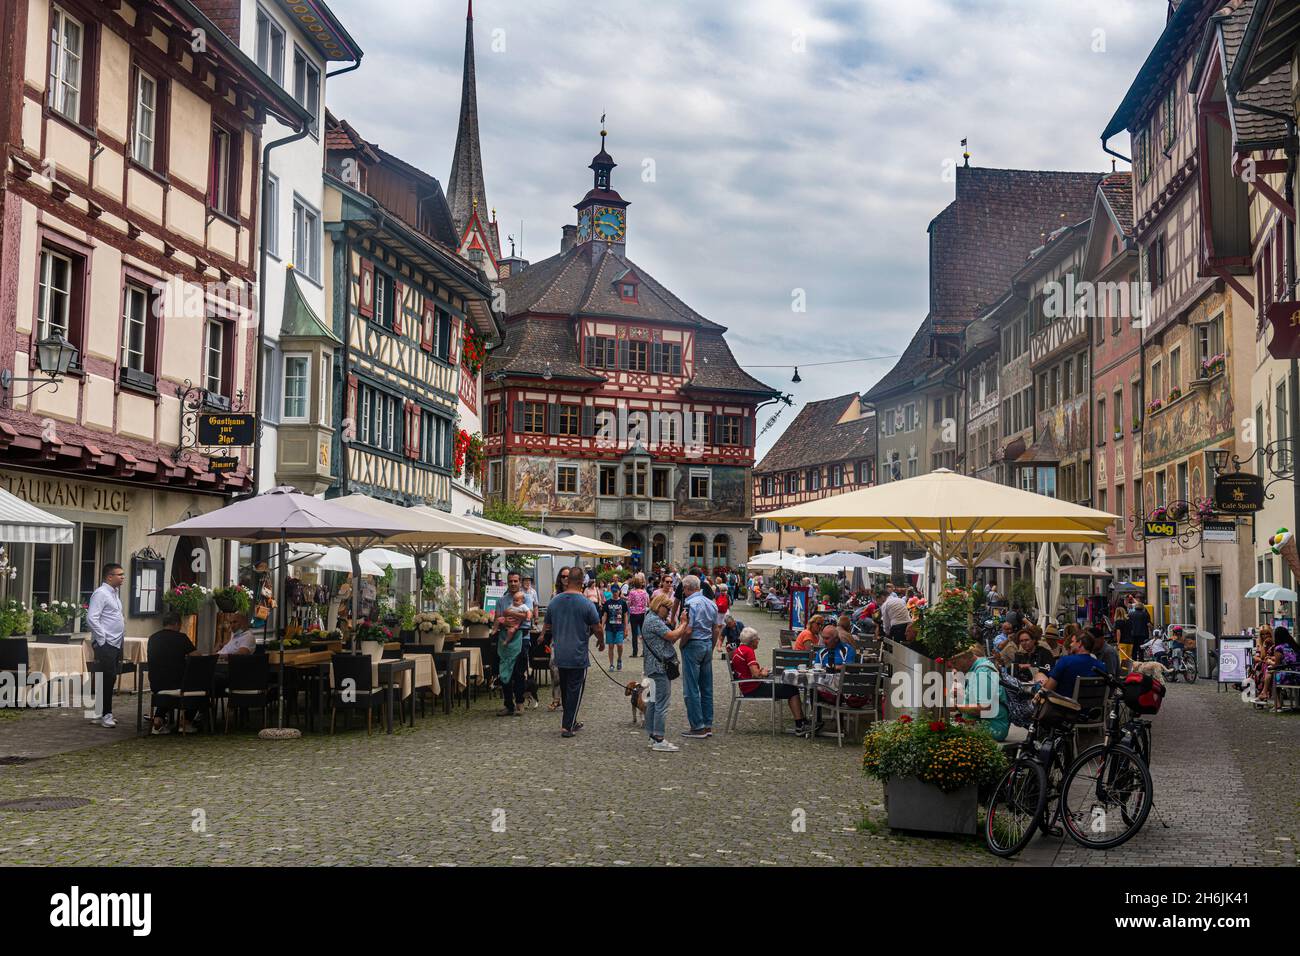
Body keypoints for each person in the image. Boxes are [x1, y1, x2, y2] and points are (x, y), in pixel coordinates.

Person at [549, 566, 604, 738]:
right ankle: (567, 726)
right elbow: (597, 627)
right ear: (581, 583)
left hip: (560, 652)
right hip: (577, 653)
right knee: (574, 690)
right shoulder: (587, 603)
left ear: (567, 581)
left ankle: (570, 720)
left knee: (565, 688)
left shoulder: (555, 601)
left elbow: (547, 624)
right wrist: (601, 642)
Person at [731, 628, 809, 735]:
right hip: (753, 688)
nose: (758, 640)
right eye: (757, 638)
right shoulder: (749, 651)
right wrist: (764, 673)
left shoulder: (740, 649)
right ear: (752, 641)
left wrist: (760, 671)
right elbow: (756, 674)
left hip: (747, 686)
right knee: (792, 690)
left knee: (789, 688)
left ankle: (803, 721)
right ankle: (800, 725)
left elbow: (751, 671)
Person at [678, 574, 720, 739]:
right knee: (707, 687)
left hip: (693, 644)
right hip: (707, 644)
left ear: (688, 588)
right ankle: (708, 724)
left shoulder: (690, 604)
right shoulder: (711, 603)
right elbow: (716, 628)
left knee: (691, 688)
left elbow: (688, 629)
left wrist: (682, 644)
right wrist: (712, 644)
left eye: (684, 589)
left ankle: (697, 726)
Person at [641, 592, 682, 751]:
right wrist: (684, 623)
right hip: (659, 667)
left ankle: (652, 735)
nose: (669, 613)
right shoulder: (654, 621)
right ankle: (659, 738)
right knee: (661, 704)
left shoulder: (650, 618)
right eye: (668, 609)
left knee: (653, 702)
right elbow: (672, 636)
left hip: (653, 667)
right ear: (660, 606)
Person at [86, 563, 126, 728]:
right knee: (108, 678)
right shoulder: (101, 593)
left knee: (108, 677)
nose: (123, 577)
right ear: (109, 577)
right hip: (107, 643)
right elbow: (91, 618)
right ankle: (106, 714)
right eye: (119, 574)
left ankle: (99, 712)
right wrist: (102, 640)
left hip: (115, 642)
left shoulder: (114, 593)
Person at [146, 610, 195, 735]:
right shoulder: (181, 638)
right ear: (177, 624)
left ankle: (159, 718)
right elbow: (196, 657)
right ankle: (186, 722)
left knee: (167, 686)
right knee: (197, 685)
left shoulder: (153, 638)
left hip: (156, 684)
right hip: (178, 684)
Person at [493, 572, 533, 715]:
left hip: (522, 638)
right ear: (507, 582)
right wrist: (508, 618)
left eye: (516, 581)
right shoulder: (502, 600)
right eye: (510, 581)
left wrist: (509, 615)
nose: (513, 583)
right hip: (505, 639)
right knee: (505, 672)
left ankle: (520, 703)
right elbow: (498, 618)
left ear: (520, 582)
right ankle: (508, 704)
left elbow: (528, 617)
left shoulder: (526, 598)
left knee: (518, 672)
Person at [952, 643, 1009, 741]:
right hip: (980, 724)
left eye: (955, 662)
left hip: (993, 728)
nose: (954, 667)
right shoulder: (977, 668)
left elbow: (984, 708)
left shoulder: (982, 671)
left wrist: (957, 706)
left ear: (966, 657)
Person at [1039, 631, 1106, 698]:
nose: (1070, 644)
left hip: (1064, 706)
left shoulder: (1065, 661)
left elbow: (1047, 689)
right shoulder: (1101, 667)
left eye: (1072, 641)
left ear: (1079, 643)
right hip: (1091, 707)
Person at [541, 567, 569, 712]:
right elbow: (548, 616)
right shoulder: (555, 595)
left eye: (568, 576)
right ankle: (556, 698)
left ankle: (565, 700)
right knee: (554, 666)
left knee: (568, 670)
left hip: (571, 638)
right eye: (563, 576)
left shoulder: (577, 594)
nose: (565, 579)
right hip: (557, 637)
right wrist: (543, 632)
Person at [602, 586, 629, 670]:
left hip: (619, 627)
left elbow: (625, 615)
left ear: (619, 592)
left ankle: (619, 659)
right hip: (610, 627)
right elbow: (605, 615)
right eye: (613, 592)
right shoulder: (607, 603)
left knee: (620, 645)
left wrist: (626, 627)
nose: (615, 593)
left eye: (616, 591)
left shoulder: (622, 603)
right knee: (610, 646)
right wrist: (601, 626)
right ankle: (611, 664)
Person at [627, 573, 649, 658]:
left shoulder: (632, 592)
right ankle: (644, 651)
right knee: (643, 633)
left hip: (634, 613)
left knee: (634, 633)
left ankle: (635, 652)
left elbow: (629, 603)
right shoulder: (644, 592)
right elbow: (647, 603)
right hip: (642, 613)